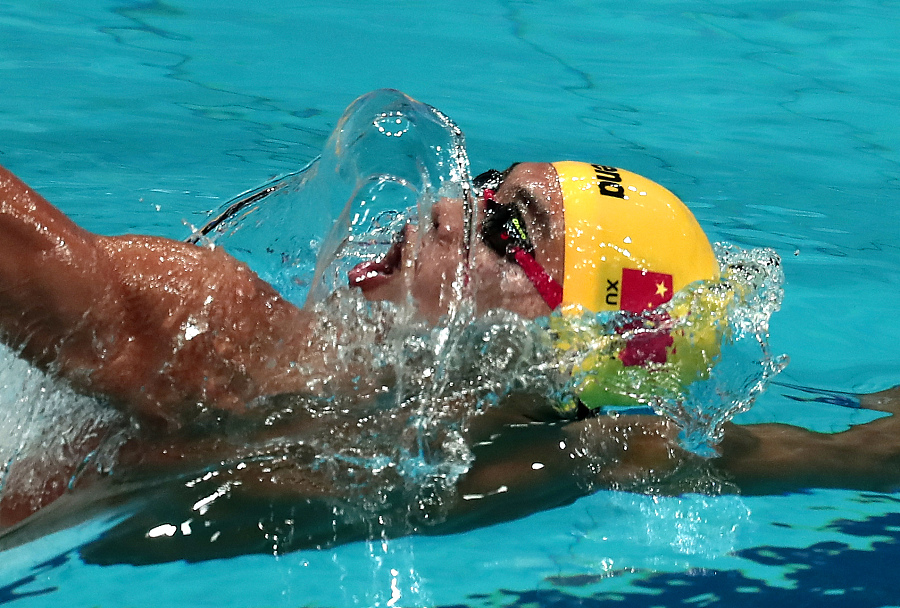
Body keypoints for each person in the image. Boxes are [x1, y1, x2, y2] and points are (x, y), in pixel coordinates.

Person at [0, 154, 898, 561]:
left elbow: (823, 452)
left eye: (505, 234)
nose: (443, 207)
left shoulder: (567, 448)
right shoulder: (224, 324)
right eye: (482, 187)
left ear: (567, 353)